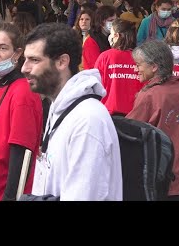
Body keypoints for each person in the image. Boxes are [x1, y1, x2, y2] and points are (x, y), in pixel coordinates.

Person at [22, 23, 122, 200]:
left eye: (35, 60)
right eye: (25, 59)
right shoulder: (61, 108)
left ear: (62, 62)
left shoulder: (87, 120)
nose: (24, 68)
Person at [127, 39, 179, 200]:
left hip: (156, 177)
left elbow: (132, 133)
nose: (136, 69)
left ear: (154, 66)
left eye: (139, 64)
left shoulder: (148, 96)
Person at [0, 22, 43, 201]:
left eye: (3, 48)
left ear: (18, 53)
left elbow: (21, 152)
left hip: (5, 192)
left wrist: (10, 197)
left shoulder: (23, 92)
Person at [94, 19, 142, 115]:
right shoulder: (141, 58)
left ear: (116, 35)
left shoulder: (105, 57)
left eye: (111, 33)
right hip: (134, 114)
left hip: (108, 112)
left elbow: (95, 85)